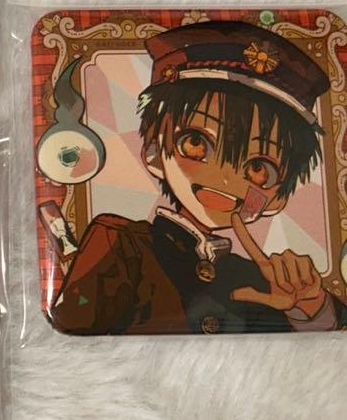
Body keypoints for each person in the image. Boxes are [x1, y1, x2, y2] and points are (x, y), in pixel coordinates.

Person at [52, 21, 347, 334]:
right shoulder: (123, 245)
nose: (226, 177)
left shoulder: (262, 283)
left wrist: (310, 307)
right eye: (196, 143)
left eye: (259, 169)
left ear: (277, 199)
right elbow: (70, 333)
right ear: (154, 151)